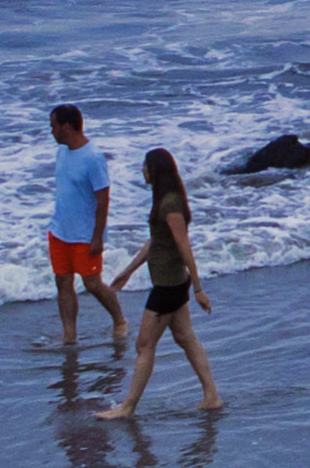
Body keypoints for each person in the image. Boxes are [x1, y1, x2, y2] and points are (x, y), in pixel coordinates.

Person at [95, 145, 223, 421]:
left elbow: (183, 245)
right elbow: (157, 241)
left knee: (144, 345)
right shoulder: (166, 200)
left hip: (168, 287)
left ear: (155, 171)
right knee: (185, 337)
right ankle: (211, 396)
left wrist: (198, 288)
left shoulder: (170, 204)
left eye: (145, 166)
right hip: (173, 282)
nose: (142, 170)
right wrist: (128, 270)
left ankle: (128, 406)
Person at [43, 103, 124, 367]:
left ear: (66, 127)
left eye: (53, 126)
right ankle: (69, 336)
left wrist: (97, 237)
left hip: (84, 235)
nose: (51, 131)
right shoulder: (61, 152)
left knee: (92, 284)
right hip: (60, 231)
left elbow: (103, 200)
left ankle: (119, 321)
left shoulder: (93, 157)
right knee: (62, 282)